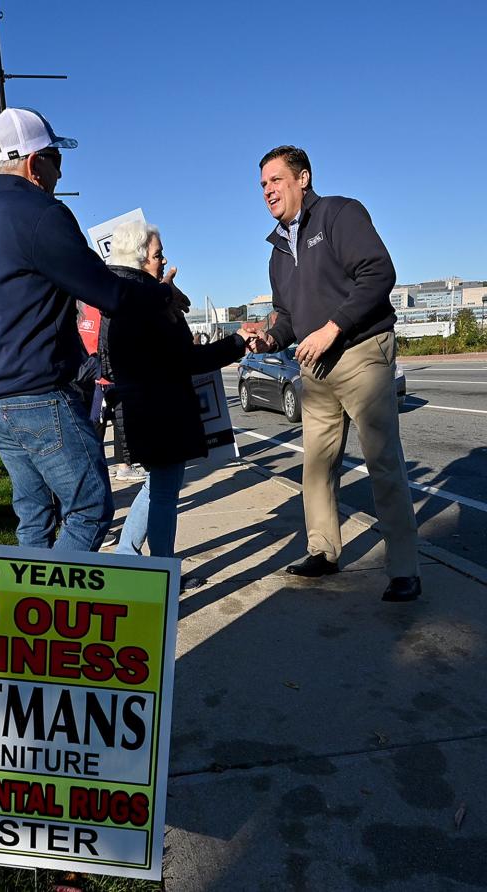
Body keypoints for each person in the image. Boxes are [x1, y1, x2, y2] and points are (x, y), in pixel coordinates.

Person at [0, 107, 186, 551]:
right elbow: (109, 292)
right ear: (36, 163)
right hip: (40, 394)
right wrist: (162, 295)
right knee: (90, 509)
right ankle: (48, 613)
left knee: (34, 516)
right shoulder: (42, 215)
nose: (59, 173)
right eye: (57, 160)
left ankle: (25, 612)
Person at [254, 146, 420, 602]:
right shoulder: (276, 252)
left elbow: (378, 272)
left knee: (382, 460)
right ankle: (323, 551)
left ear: (302, 178)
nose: (268, 190)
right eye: (263, 184)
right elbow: (288, 316)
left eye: (276, 180)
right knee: (317, 465)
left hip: (361, 353)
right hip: (314, 368)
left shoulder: (338, 215)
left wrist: (333, 327)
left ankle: (404, 568)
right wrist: (270, 338)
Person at [102, 220, 253, 557]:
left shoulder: (123, 298)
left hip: (146, 412)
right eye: (158, 255)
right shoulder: (147, 303)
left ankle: (129, 553)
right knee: (165, 495)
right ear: (140, 260)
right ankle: (161, 572)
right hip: (162, 415)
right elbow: (187, 359)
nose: (164, 262)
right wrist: (237, 342)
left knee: (157, 487)